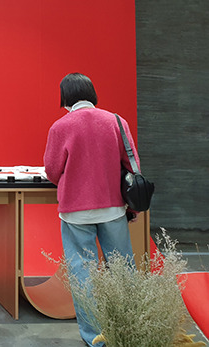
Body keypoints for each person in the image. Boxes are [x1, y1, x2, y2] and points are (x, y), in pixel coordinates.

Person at [43, 73, 138, 347]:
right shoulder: (117, 121)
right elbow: (132, 163)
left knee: (83, 274)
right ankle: (129, 328)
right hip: (113, 208)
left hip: (76, 211)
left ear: (65, 97)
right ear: (92, 93)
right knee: (123, 270)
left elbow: (52, 171)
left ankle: (95, 338)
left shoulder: (60, 127)